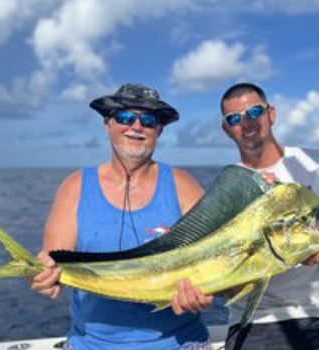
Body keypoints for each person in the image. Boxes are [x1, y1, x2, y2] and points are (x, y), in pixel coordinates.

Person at [30, 83, 213, 350]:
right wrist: (38, 274)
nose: (136, 127)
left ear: (159, 130)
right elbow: (51, 259)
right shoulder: (75, 186)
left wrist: (206, 294)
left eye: (148, 120)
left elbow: (212, 262)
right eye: (125, 118)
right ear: (108, 124)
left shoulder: (184, 186)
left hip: (179, 343)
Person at [219, 82, 319, 350]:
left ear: (271, 114)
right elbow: (228, 288)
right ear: (226, 129)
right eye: (234, 119)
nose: (246, 122)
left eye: (254, 111)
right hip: (255, 321)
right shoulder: (228, 190)